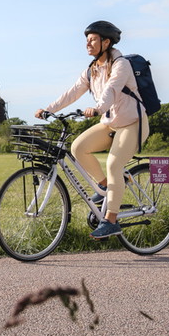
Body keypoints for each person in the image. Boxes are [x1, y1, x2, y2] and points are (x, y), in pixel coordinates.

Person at [35, 21, 150, 240]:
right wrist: (48, 109)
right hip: (111, 123)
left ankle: (111, 221)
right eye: (87, 39)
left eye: (93, 39)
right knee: (78, 147)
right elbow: (72, 93)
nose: (88, 43)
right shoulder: (92, 69)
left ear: (106, 42)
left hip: (133, 123)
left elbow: (111, 90)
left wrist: (97, 108)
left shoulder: (121, 64)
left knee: (114, 164)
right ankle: (107, 187)